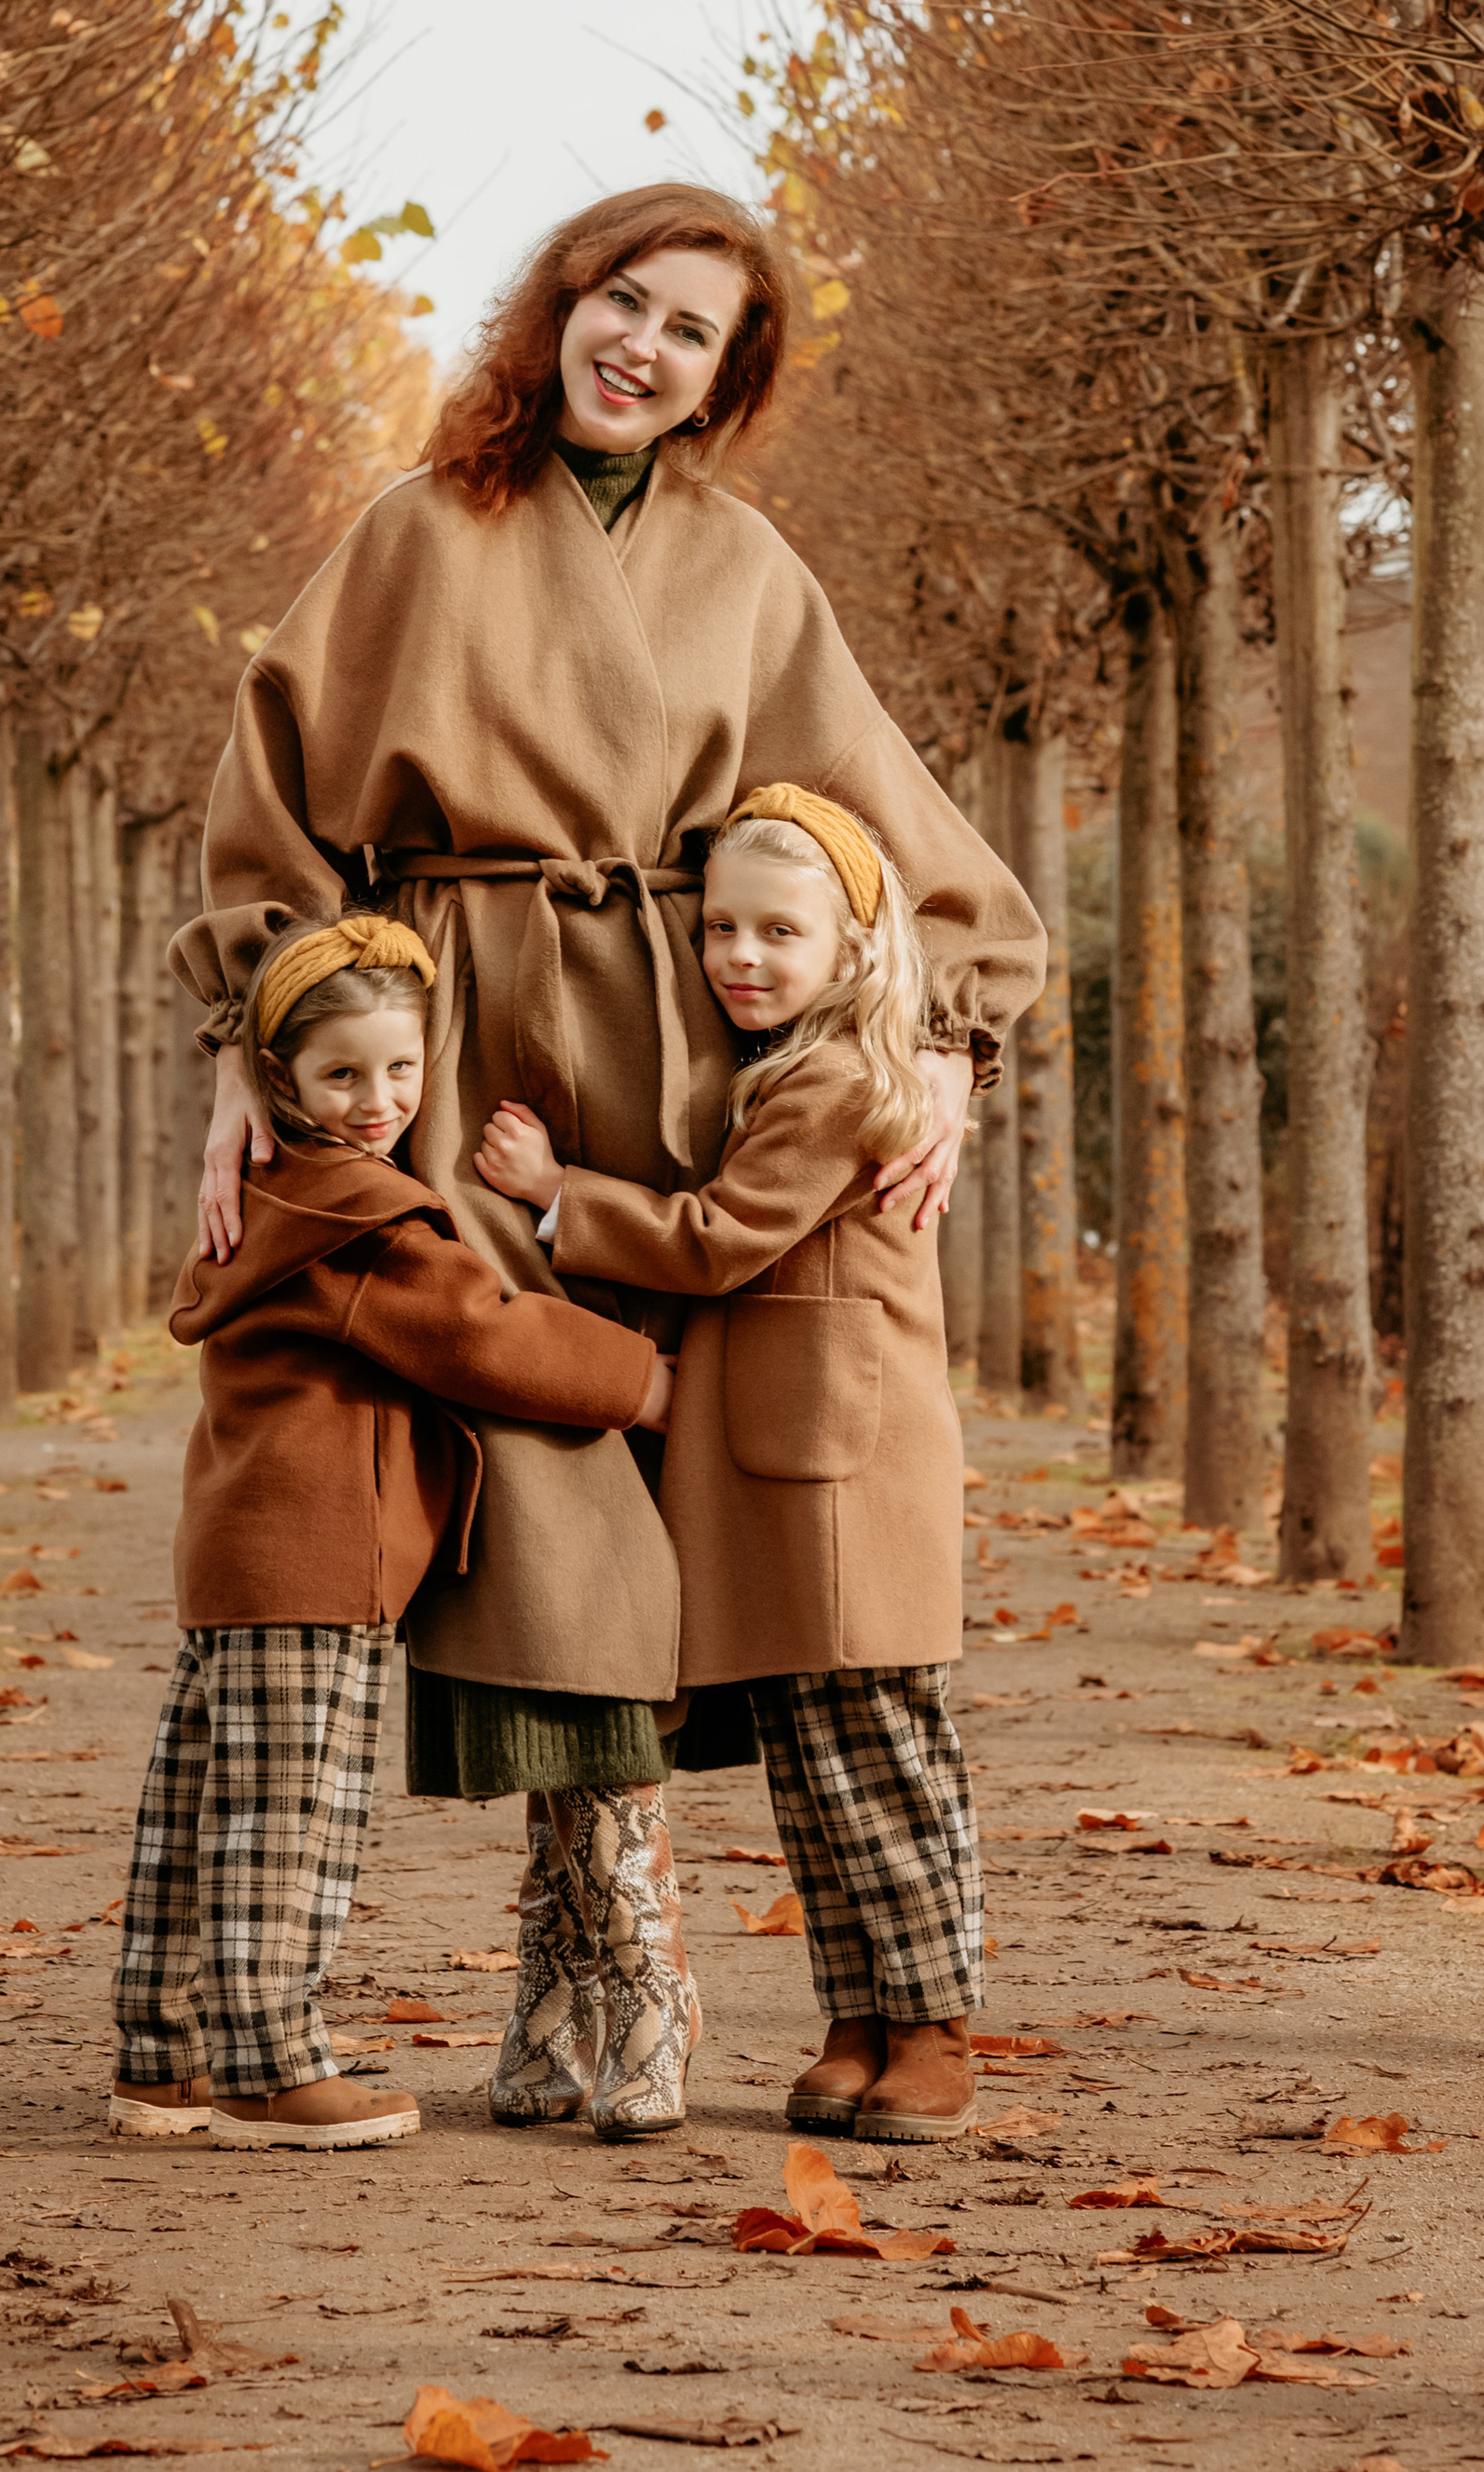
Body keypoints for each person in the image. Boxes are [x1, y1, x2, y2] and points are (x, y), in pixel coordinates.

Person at [170, 184, 1043, 2137]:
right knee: (535, 1482)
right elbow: (273, 829)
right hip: (458, 1050)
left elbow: (883, 824)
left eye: (693, 332)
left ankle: (768, 1979)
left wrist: (945, 1033)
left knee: (735, 1518)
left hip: (684, 1067)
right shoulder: (411, 533)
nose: (638, 346)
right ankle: (602, 1972)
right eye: (618, 299)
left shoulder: (746, 564)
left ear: (730, 380)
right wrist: (255, 1038)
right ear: (556, 302)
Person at [109, 916, 672, 2153]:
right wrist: (642, 1379)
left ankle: (168, 2052)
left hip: (240, 1546)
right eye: (344, 1074)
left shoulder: (277, 1189)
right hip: (320, 1548)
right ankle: (268, 2063)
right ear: (280, 1082)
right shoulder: (353, 1209)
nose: (380, 1099)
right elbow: (482, 1328)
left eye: (403, 1069)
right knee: (292, 1815)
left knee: (204, 1799)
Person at [478, 786, 982, 2145]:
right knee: (814, 1774)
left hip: (847, 1468)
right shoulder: (784, 1065)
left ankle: (932, 2023)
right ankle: (857, 2017)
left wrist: (555, 1194)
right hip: (784, 1465)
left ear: (854, 948)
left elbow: (714, 1239)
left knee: (886, 1757)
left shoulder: (839, 1081)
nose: (742, 955)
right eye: (721, 928)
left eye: (780, 931)